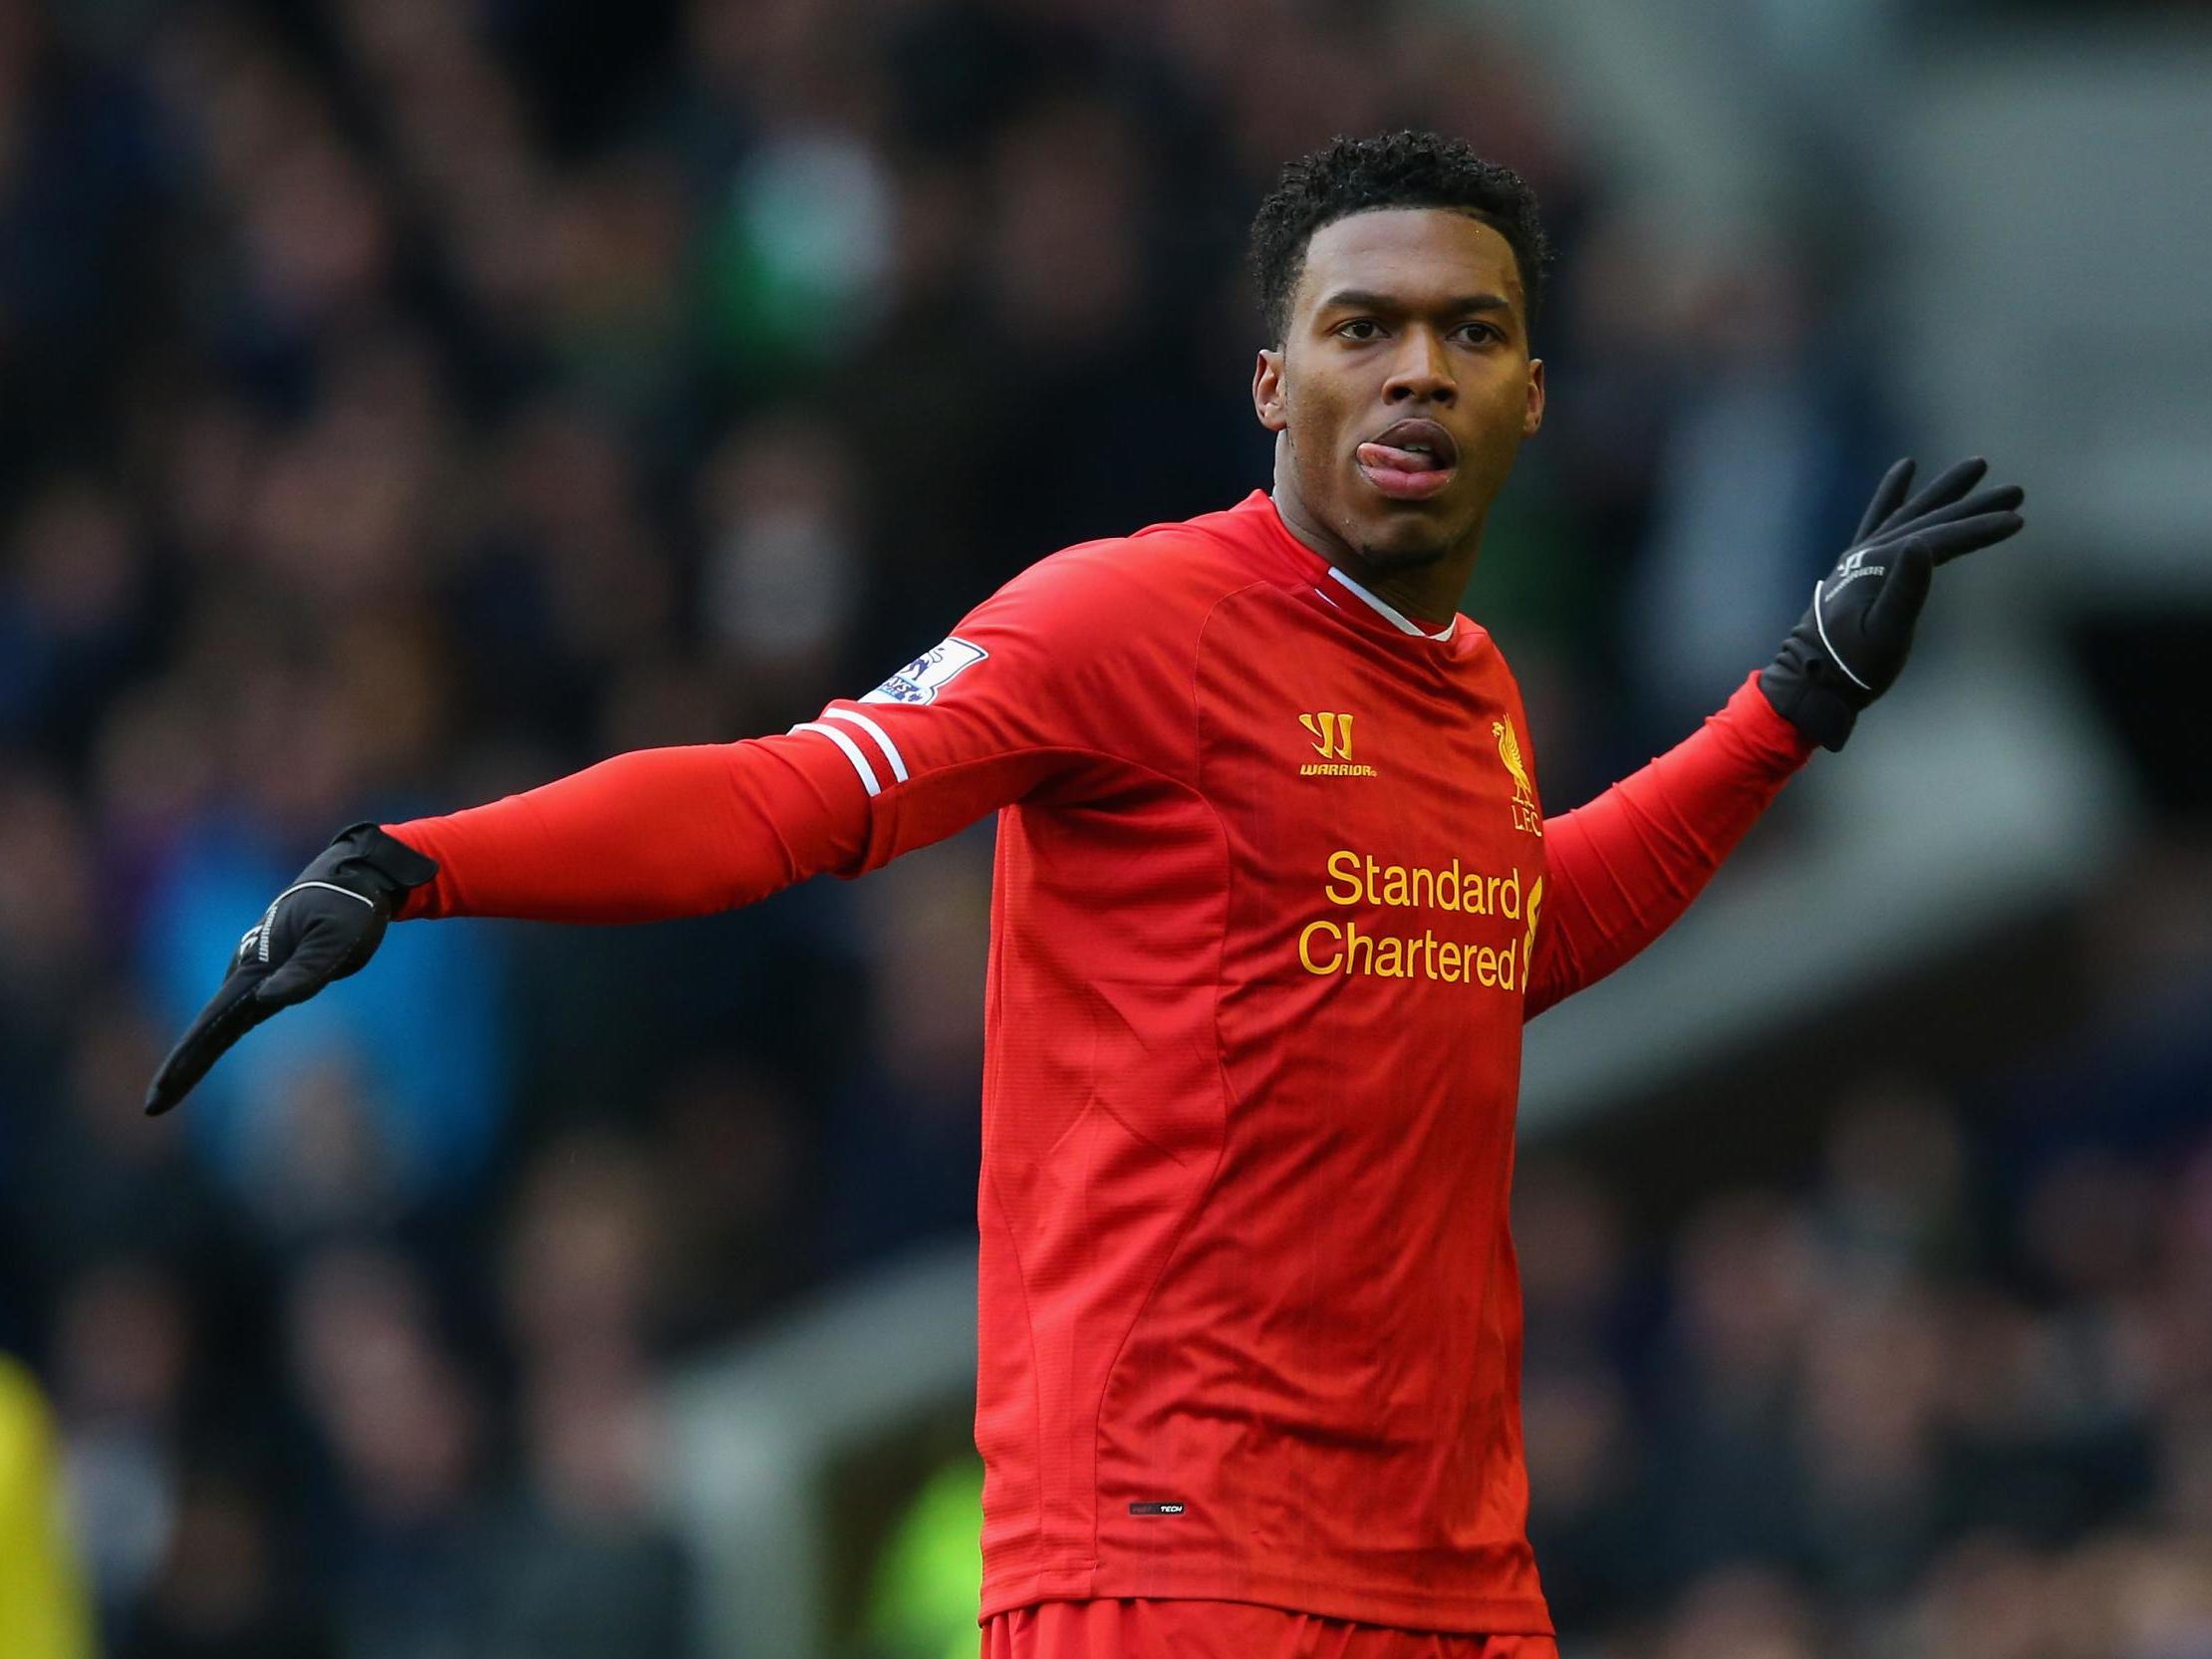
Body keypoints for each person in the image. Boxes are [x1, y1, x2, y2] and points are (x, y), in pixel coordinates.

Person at [145, 132, 2024, 1658]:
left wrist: (1791, 704)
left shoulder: (1479, 691)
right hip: (1173, 1557)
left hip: (1453, 1567)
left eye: (1470, 330)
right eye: (1364, 326)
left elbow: (1495, 944)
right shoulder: (1124, 620)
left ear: (1534, 391)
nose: (1417, 370)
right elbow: (794, 798)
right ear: (1274, 380)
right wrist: (426, 862)